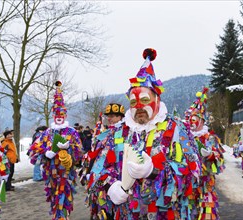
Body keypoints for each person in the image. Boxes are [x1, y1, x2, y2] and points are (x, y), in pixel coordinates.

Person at [85, 48, 201, 219]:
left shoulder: (177, 129)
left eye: (145, 100)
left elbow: (193, 172)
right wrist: (110, 186)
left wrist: (155, 171)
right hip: (126, 213)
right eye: (133, 101)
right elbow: (96, 171)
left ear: (157, 100)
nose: (139, 106)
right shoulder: (116, 132)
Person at [28, 81, 83, 220]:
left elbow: (79, 151)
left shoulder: (72, 132)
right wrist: (46, 152)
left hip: (66, 172)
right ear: (53, 116)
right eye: (56, 115)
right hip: (50, 173)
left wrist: (69, 148)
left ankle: (63, 216)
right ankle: (57, 216)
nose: (59, 117)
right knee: (54, 196)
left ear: (65, 116)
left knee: (64, 196)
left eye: (61, 114)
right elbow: (33, 149)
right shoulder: (47, 132)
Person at [184, 87, 225, 220]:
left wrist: (211, 155)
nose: (191, 122)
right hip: (188, 184)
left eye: (194, 119)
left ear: (202, 120)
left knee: (207, 212)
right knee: (189, 211)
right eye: (189, 119)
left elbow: (221, 161)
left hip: (206, 183)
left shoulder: (210, 138)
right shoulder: (184, 138)